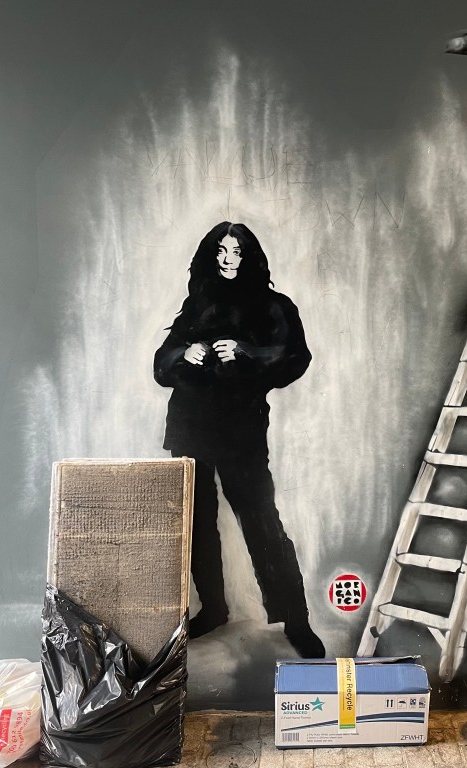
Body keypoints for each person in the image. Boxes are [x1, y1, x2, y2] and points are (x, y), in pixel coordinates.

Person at [153, 221, 325, 658]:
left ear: (250, 257)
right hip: (190, 427)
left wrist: (246, 352)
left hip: (240, 430)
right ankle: (213, 609)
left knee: (261, 519)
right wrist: (182, 354)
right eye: (220, 251)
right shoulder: (197, 305)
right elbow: (160, 366)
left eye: (236, 251)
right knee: (198, 523)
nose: (227, 259)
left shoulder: (273, 306)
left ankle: (296, 619)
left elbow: (296, 358)